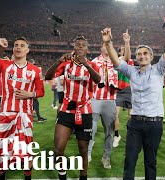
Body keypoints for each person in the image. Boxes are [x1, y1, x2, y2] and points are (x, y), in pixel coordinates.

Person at [102, 27, 165, 180]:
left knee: (150, 162)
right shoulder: (131, 71)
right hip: (135, 124)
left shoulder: (159, 69)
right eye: (139, 54)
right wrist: (108, 42)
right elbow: (116, 60)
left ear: (151, 56)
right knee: (129, 160)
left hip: (154, 124)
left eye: (145, 53)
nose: (141, 56)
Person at [0, 37, 45, 180]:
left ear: (27, 50)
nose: (18, 47)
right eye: (16, 45)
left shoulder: (35, 70)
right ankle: (2, 177)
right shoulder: (4, 65)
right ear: (13, 49)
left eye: (22, 45)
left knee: (27, 150)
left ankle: (27, 177)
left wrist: (30, 94)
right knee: (2, 150)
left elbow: (41, 91)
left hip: (25, 116)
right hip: (6, 114)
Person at [45, 36, 101, 180]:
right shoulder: (66, 64)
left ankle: (83, 177)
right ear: (74, 48)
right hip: (66, 110)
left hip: (85, 111)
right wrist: (58, 61)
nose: (81, 47)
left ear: (87, 49)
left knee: (83, 150)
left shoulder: (92, 65)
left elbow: (98, 80)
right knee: (58, 150)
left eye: (83, 45)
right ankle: (62, 177)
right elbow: (48, 76)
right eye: (78, 45)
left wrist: (86, 65)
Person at [87, 41, 118, 169]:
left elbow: (127, 57)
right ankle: (87, 154)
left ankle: (106, 157)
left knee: (109, 131)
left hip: (110, 100)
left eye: (108, 45)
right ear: (101, 48)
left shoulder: (116, 62)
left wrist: (127, 43)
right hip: (95, 99)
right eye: (104, 45)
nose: (106, 47)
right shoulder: (94, 62)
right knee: (91, 130)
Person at [114, 30, 133, 148]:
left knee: (131, 116)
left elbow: (128, 56)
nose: (124, 51)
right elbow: (125, 56)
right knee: (114, 114)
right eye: (122, 49)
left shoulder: (129, 60)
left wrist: (127, 43)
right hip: (119, 91)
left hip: (130, 90)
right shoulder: (118, 60)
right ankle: (116, 135)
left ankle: (131, 135)